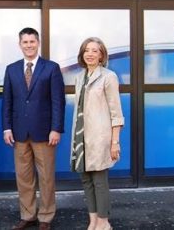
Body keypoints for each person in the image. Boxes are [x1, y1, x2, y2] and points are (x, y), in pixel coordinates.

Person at [2, 27, 66, 230]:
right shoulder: (11, 69)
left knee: (46, 177)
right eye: (25, 42)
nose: (29, 45)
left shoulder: (51, 68)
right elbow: (8, 102)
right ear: (19, 44)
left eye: (32, 41)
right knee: (24, 177)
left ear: (38, 43)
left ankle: (46, 217)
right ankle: (27, 214)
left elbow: (58, 101)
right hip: (19, 132)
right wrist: (6, 128)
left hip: (44, 133)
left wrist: (56, 128)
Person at [70, 37, 124, 230]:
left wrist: (115, 142)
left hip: (100, 137)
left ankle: (104, 222)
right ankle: (93, 220)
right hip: (81, 136)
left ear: (101, 55)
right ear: (82, 54)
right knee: (86, 179)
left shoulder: (108, 77)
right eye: (87, 50)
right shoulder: (79, 77)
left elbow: (116, 112)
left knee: (99, 181)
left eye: (95, 50)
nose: (90, 54)